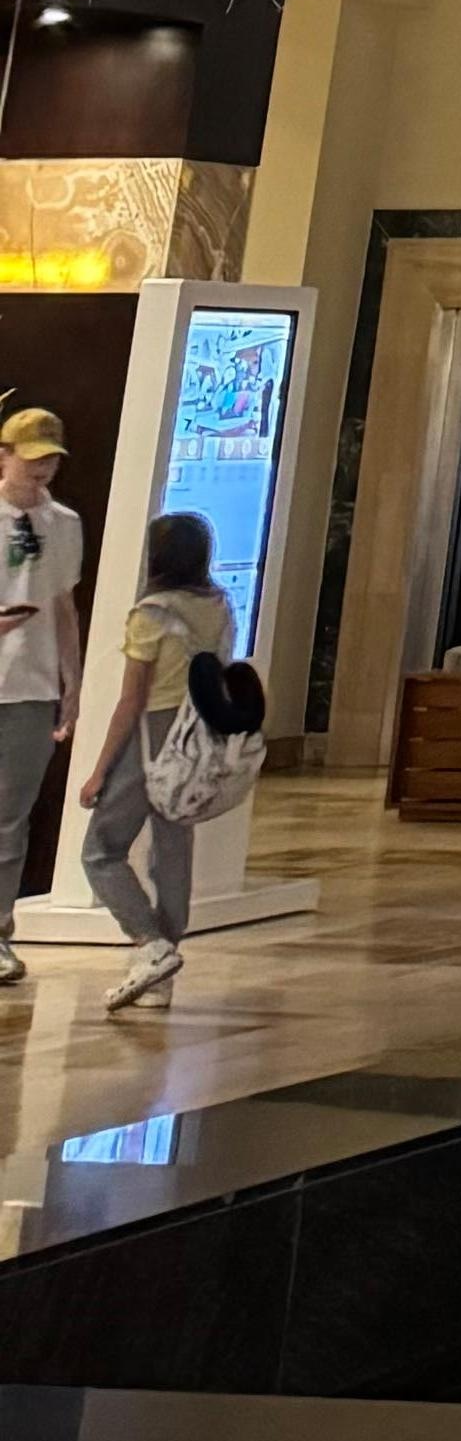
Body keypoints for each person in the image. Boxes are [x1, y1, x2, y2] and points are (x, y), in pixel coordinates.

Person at [78, 508, 231, 1006]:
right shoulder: (219, 605)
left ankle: (150, 944)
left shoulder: (151, 613)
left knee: (101, 850)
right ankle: (162, 973)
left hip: (154, 732)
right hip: (200, 733)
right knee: (172, 852)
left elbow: (132, 700)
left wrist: (99, 770)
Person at [0, 410, 84, 1000]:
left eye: (51, 458)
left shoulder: (65, 523)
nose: (43, 468)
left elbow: (62, 606)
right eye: (32, 457)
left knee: (10, 817)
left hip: (33, 686)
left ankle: (0, 932)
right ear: (4, 456)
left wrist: (72, 682)